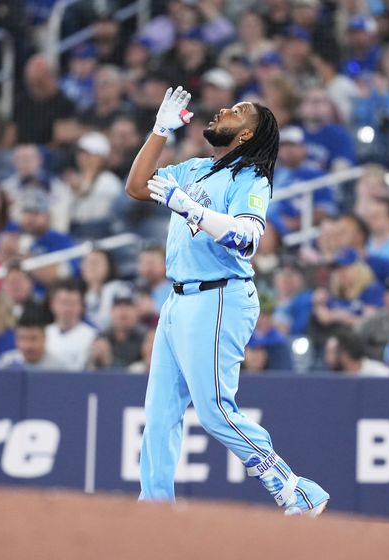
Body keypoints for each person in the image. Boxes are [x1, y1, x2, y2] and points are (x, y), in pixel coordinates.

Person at [124, 86, 328, 515]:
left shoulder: (251, 179)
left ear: (247, 135)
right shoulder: (198, 168)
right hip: (179, 298)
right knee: (159, 412)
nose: (223, 110)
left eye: (238, 112)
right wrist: (159, 130)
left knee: (215, 409)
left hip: (220, 295)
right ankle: (153, 508)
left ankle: (295, 490)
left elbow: (246, 238)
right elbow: (137, 186)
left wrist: (189, 209)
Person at [324, 329, 389, 376]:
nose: (326, 358)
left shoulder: (378, 373)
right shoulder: (334, 379)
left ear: (345, 354)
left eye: (331, 352)